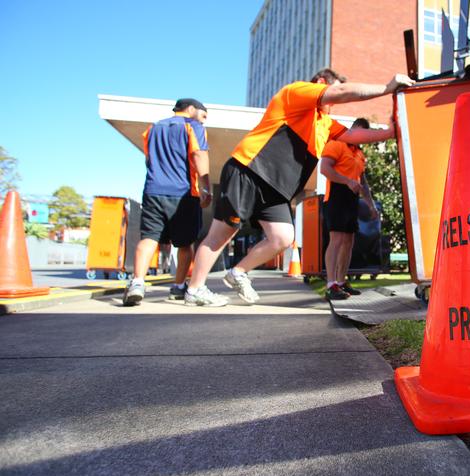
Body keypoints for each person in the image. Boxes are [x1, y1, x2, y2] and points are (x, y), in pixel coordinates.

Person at [184, 68, 414, 306]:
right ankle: (195, 289)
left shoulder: (325, 123)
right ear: (322, 83)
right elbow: (343, 92)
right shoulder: (295, 92)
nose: (332, 102)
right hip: (249, 169)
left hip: (277, 190)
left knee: (283, 237)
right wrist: (387, 88)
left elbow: (355, 136)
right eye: (330, 89)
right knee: (222, 233)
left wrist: (391, 132)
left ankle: (238, 272)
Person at [123, 98, 214, 306]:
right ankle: (179, 287)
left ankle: (137, 283)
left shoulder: (153, 129)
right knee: (184, 244)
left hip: (153, 190)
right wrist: (206, 188)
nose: (204, 121)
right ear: (191, 109)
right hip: (184, 194)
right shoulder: (194, 127)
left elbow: (148, 160)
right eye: (203, 115)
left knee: (149, 238)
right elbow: (199, 155)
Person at [320, 117, 382, 300]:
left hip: (352, 199)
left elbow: (363, 182)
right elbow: (324, 168)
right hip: (336, 197)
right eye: (359, 133)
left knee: (348, 241)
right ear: (352, 129)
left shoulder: (359, 154)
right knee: (337, 240)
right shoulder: (336, 143)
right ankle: (331, 285)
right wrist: (347, 181)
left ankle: (340, 281)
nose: (360, 138)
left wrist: (370, 205)